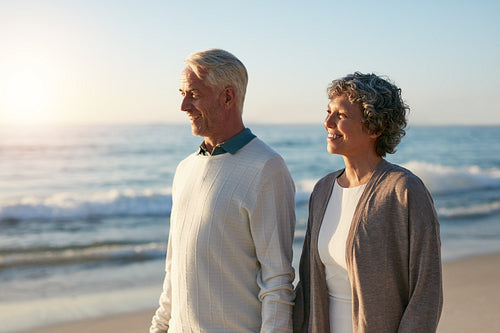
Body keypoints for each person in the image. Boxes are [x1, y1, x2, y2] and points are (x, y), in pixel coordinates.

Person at [150, 49, 296, 333]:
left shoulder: (267, 168)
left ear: (227, 97)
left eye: (193, 93)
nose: (183, 105)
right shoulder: (185, 169)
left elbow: (277, 281)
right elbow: (174, 269)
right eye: (181, 93)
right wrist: (158, 327)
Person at [293, 72, 443, 333]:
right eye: (328, 112)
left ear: (376, 127)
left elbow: (426, 293)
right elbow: (306, 285)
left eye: (341, 115)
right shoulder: (322, 190)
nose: (328, 122)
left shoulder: (403, 190)